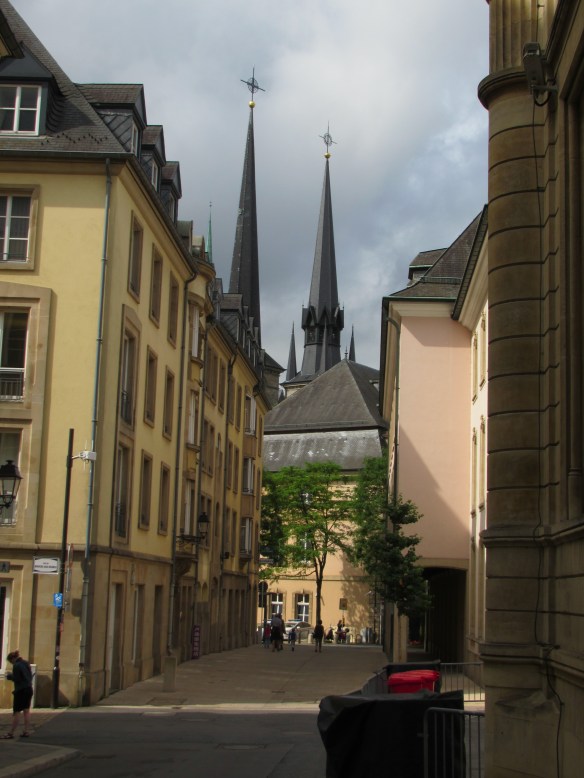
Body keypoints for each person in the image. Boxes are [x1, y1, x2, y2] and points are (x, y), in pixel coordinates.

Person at [3, 650, 33, 738]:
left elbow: (18, 678)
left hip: (21, 690)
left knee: (16, 712)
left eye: (10, 662)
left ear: (12, 659)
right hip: (29, 689)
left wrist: (10, 676)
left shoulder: (16, 665)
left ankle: (11, 733)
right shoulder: (26, 663)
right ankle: (26, 731)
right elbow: (28, 676)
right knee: (26, 711)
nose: (11, 663)